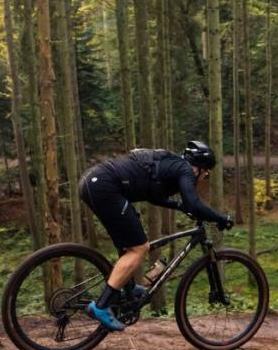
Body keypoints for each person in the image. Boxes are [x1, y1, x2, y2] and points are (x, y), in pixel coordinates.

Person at [78, 140, 234, 331]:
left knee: (130, 243)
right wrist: (221, 218)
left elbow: (155, 196)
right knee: (139, 248)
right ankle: (101, 306)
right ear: (200, 168)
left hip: (94, 182)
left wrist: (179, 206)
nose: (205, 177)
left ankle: (127, 288)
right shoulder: (185, 170)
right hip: (104, 186)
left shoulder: (171, 165)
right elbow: (194, 204)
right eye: (207, 173)